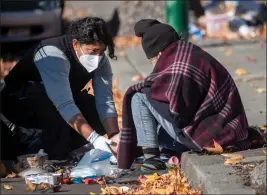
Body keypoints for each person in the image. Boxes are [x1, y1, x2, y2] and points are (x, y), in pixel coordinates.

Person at [117, 19, 254, 172]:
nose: (154, 63)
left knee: (139, 96)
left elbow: (177, 111)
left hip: (206, 136)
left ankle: (151, 159)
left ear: (159, 52)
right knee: (152, 103)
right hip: (228, 129)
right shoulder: (191, 52)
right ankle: (168, 150)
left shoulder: (176, 63)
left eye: (153, 59)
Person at [1, 17, 120, 161]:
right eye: (92, 51)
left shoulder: (101, 60)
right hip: (18, 103)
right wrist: (95, 139)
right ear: (76, 44)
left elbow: (105, 100)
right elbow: (64, 104)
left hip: (58, 102)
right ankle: (41, 149)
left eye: (102, 51)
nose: (97, 57)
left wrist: (114, 137)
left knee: (94, 110)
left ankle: (58, 145)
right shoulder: (53, 55)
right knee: (50, 105)